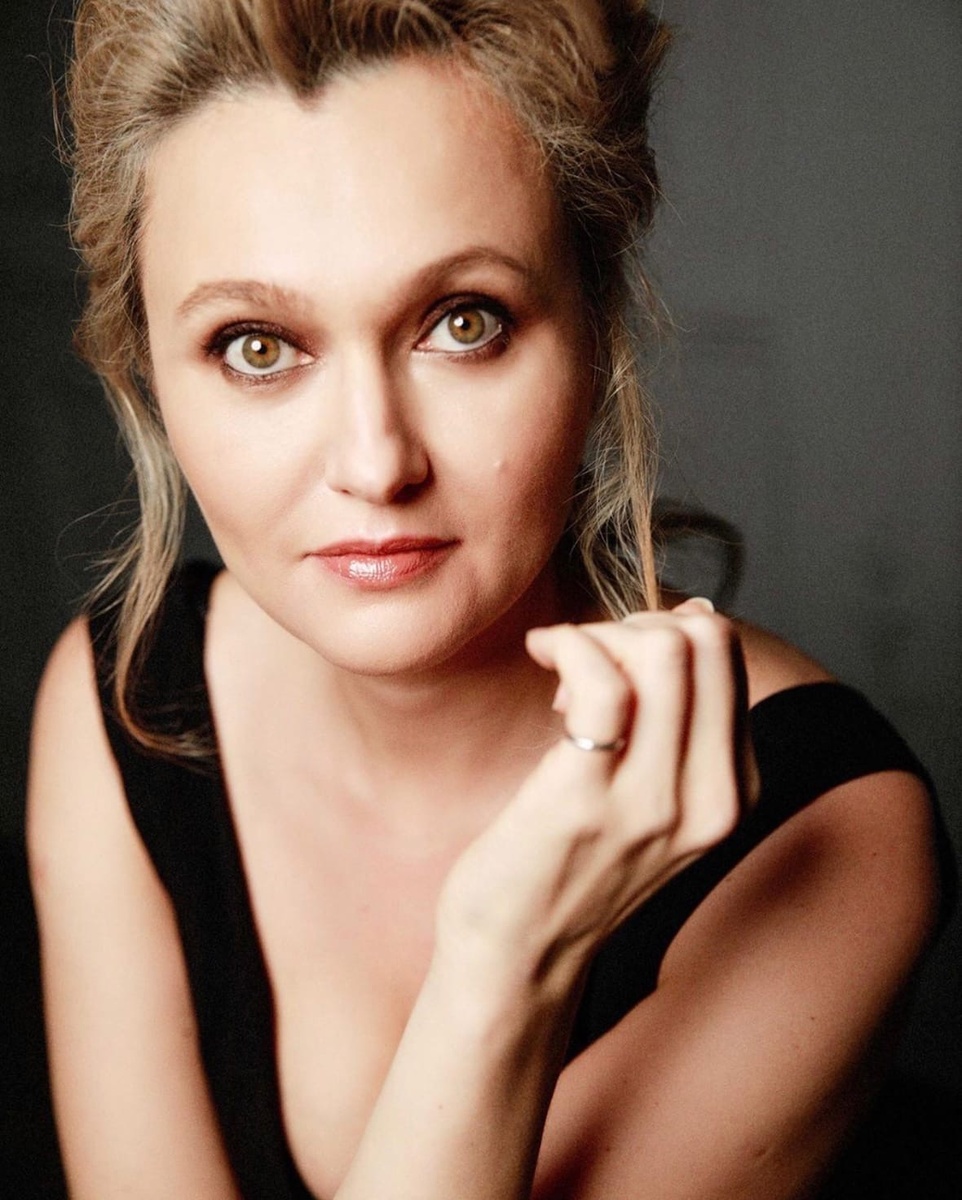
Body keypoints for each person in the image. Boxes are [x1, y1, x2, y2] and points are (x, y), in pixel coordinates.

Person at [26, 2, 949, 1198]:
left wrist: (499, 963)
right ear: (147, 369)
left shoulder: (829, 834)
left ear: (594, 330)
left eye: (463, 324)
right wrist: (495, 958)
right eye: (256, 346)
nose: (375, 464)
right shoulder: (123, 702)